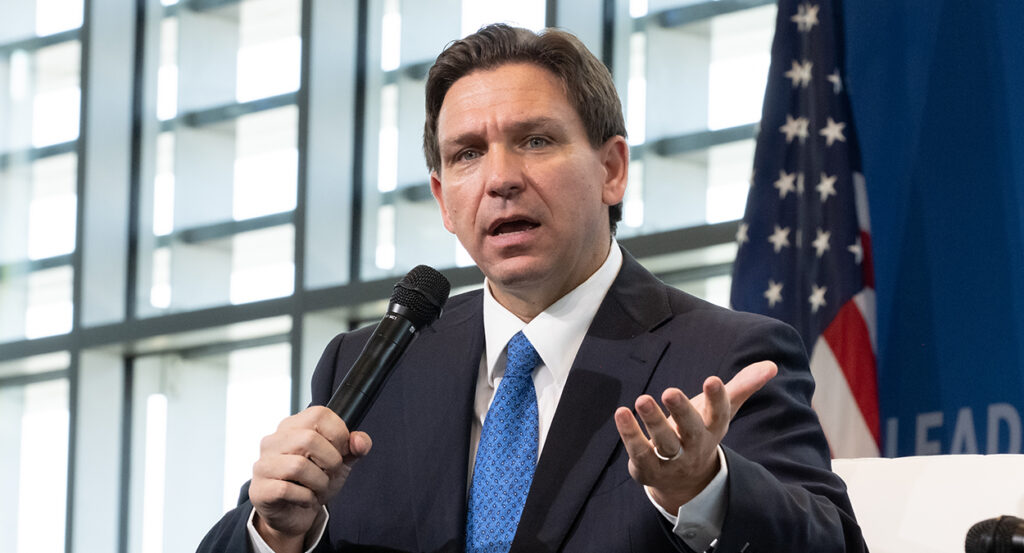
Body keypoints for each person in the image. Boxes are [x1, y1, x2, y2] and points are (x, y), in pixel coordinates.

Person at [199, 24, 866, 553]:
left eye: (535, 140)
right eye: (466, 154)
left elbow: (833, 542)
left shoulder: (724, 357)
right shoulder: (370, 365)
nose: (500, 178)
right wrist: (277, 533)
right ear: (443, 199)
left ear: (612, 169)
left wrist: (706, 488)